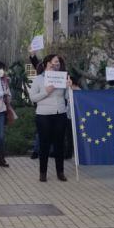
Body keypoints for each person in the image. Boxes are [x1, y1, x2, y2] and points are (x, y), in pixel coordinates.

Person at [28, 54, 75, 182]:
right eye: (54, 62)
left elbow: (66, 97)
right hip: (43, 115)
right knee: (44, 145)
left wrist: (69, 87)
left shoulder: (62, 77)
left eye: (58, 63)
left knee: (59, 144)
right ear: (47, 63)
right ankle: (42, 173)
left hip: (60, 113)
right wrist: (46, 91)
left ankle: (60, 172)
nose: (56, 65)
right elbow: (33, 98)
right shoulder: (38, 79)